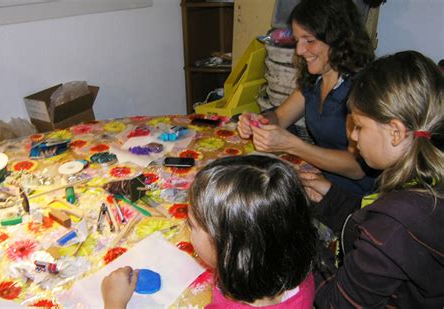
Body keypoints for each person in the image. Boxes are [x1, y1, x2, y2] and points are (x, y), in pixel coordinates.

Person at [300, 51, 444, 308]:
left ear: (396, 132)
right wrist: (331, 197)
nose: (353, 137)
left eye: (359, 126)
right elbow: (373, 224)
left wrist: (298, 240)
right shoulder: (424, 185)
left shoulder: (396, 224)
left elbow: (336, 303)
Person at [101, 155, 318, 308]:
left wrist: (114, 303)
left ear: (230, 249)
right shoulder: (285, 260)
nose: (186, 229)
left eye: (192, 225)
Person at [238, 0, 376, 195]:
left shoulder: (361, 87)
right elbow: (280, 117)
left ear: (338, 38)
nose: (299, 50)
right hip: (321, 181)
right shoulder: (316, 79)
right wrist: (258, 121)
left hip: (352, 198)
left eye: (309, 40)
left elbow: (357, 168)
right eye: (297, 40)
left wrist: (293, 146)